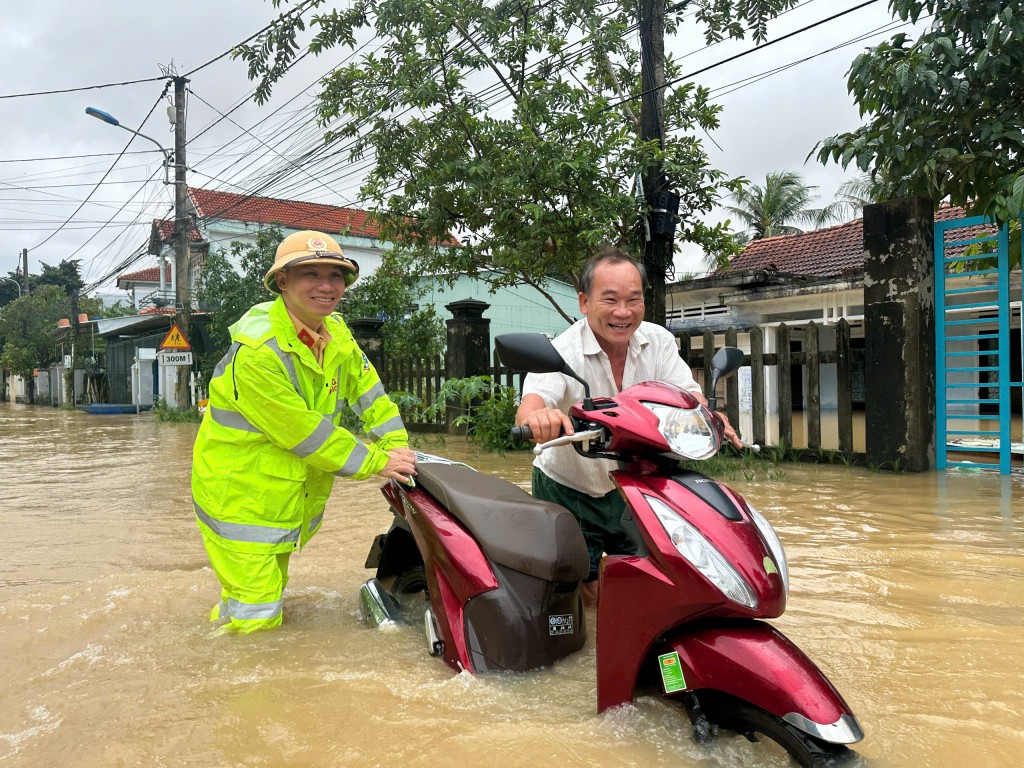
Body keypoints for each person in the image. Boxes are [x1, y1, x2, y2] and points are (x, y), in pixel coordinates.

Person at [191, 230, 417, 633]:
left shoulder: (336, 333)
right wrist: (380, 462)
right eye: (310, 274)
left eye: (336, 275)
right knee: (258, 621)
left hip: (280, 498)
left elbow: (372, 396)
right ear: (283, 281)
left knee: (253, 600)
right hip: (241, 499)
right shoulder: (258, 352)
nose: (326, 286)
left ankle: (217, 643)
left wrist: (399, 447)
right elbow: (305, 433)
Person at [515, 246, 739, 606]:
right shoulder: (562, 352)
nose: (623, 312)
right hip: (570, 486)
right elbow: (531, 403)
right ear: (584, 302)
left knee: (653, 574)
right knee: (576, 588)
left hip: (637, 485)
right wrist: (539, 418)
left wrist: (711, 416)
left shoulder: (659, 341)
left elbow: (688, 394)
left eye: (634, 300)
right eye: (611, 300)